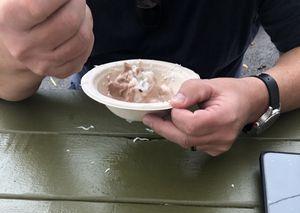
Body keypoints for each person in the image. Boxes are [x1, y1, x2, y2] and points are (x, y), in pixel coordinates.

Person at [0, 0, 300, 156]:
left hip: (220, 132)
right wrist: (20, 51)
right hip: (85, 122)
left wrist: (259, 94)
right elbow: (8, 85)